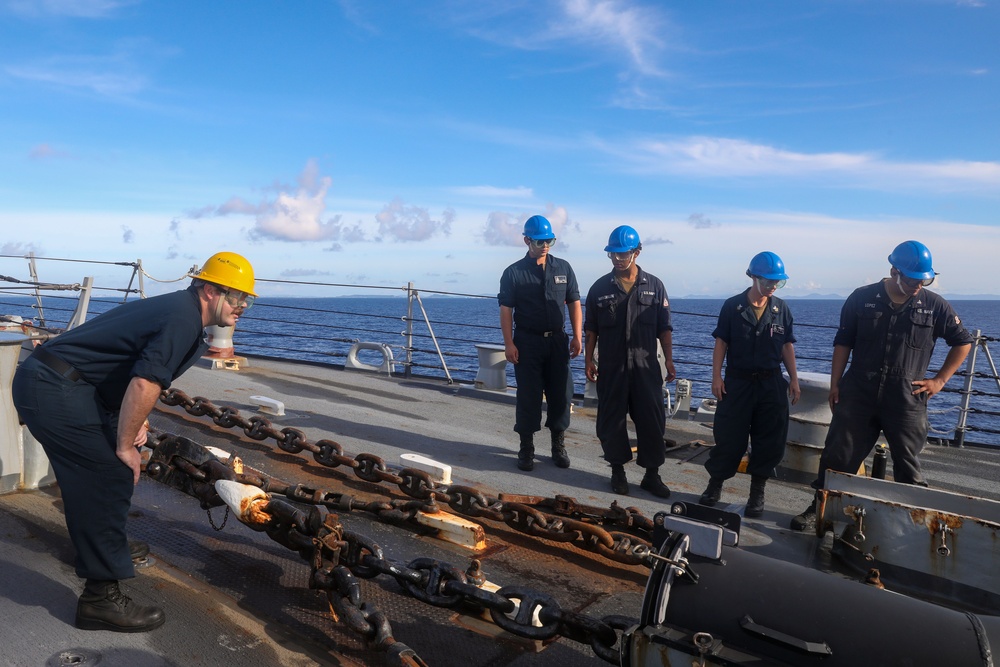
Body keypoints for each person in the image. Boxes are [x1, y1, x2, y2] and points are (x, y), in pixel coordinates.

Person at [11, 251, 257, 631]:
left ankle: (102, 547)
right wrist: (126, 444)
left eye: (247, 300)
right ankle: (99, 600)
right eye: (237, 296)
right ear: (209, 290)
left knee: (106, 469)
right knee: (109, 471)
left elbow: (128, 370)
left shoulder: (184, 314)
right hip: (54, 387)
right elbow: (145, 382)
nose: (242, 306)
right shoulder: (182, 318)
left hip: (72, 386)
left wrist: (131, 424)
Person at [790, 240, 973, 531]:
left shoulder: (934, 305)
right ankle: (821, 509)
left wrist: (939, 380)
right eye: (912, 279)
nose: (917, 285)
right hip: (859, 392)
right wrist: (836, 384)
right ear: (893, 271)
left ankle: (910, 527)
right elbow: (843, 343)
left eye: (924, 279)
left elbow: (962, 342)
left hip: (906, 397)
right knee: (838, 456)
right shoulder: (861, 298)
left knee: (908, 465)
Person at [698, 252, 801, 517]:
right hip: (738, 383)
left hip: (770, 383)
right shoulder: (732, 307)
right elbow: (721, 342)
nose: (772, 287)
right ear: (754, 277)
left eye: (777, 282)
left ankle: (757, 492)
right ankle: (715, 484)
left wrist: (794, 379)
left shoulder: (781, 309)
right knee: (729, 437)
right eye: (768, 281)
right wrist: (716, 377)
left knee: (770, 439)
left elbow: (787, 345)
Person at [584, 225, 675, 497]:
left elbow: (664, 328)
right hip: (612, 366)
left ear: (636, 252)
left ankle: (652, 475)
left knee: (652, 420)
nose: (617, 259)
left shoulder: (655, 286)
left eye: (622, 254)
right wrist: (588, 360)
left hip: (646, 366)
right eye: (613, 254)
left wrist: (669, 361)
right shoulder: (599, 288)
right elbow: (591, 329)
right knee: (611, 421)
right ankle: (617, 471)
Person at [498, 215, 583, 471]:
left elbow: (574, 303)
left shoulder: (564, 268)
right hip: (527, 342)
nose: (545, 245)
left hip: (557, 341)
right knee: (529, 396)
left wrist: (578, 336)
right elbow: (506, 310)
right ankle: (527, 447)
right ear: (526, 240)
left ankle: (558, 444)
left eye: (550, 240)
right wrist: (509, 343)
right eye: (539, 241)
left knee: (561, 393)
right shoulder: (513, 273)